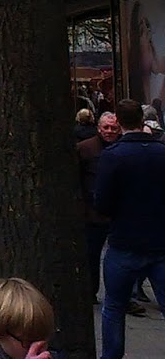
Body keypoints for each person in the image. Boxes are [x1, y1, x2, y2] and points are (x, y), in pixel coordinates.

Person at [94, 98, 165, 359]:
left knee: (113, 305)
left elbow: (102, 202)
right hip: (160, 240)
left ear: (120, 123)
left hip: (124, 240)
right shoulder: (161, 153)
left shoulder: (113, 157)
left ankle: (112, 355)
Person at [78, 112, 122, 304]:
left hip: (117, 213)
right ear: (98, 128)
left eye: (113, 128)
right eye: (106, 128)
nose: (110, 131)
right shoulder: (85, 148)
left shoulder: (121, 149)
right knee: (92, 256)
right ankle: (90, 291)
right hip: (92, 213)